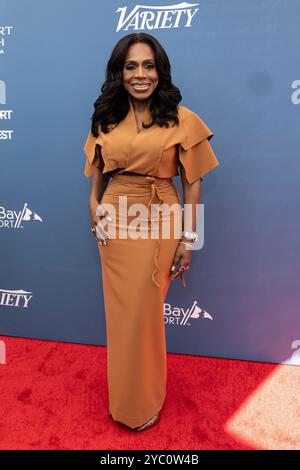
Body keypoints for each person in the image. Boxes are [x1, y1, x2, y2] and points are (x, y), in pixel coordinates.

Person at [83, 33, 219, 432]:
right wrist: (94, 205)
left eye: (148, 65)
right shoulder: (106, 118)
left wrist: (190, 238)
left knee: (143, 315)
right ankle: (123, 399)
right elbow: (98, 173)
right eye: (131, 66)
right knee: (121, 315)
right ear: (119, 73)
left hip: (159, 218)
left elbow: (193, 184)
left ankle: (144, 401)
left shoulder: (183, 118)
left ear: (159, 71)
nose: (140, 74)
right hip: (115, 219)